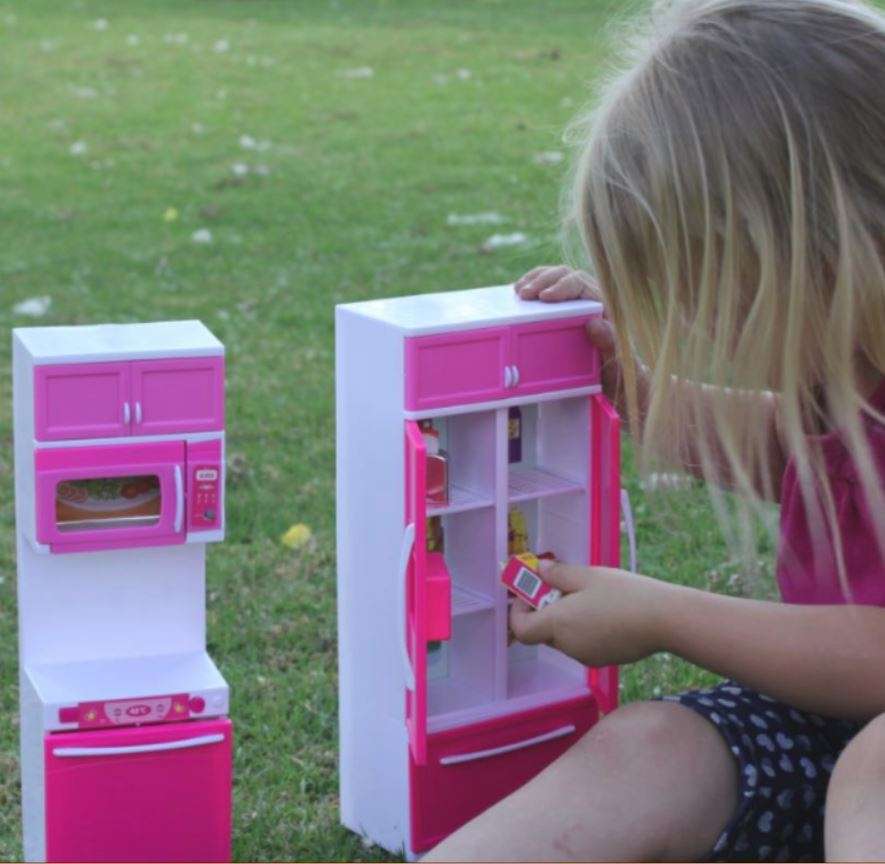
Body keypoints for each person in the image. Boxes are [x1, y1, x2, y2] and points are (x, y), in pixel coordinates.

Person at [425, 0, 885, 860]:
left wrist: (665, 614)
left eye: (694, 284)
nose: (689, 319)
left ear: (804, 245)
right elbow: (793, 454)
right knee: (647, 749)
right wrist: (630, 389)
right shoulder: (849, 362)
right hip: (827, 718)